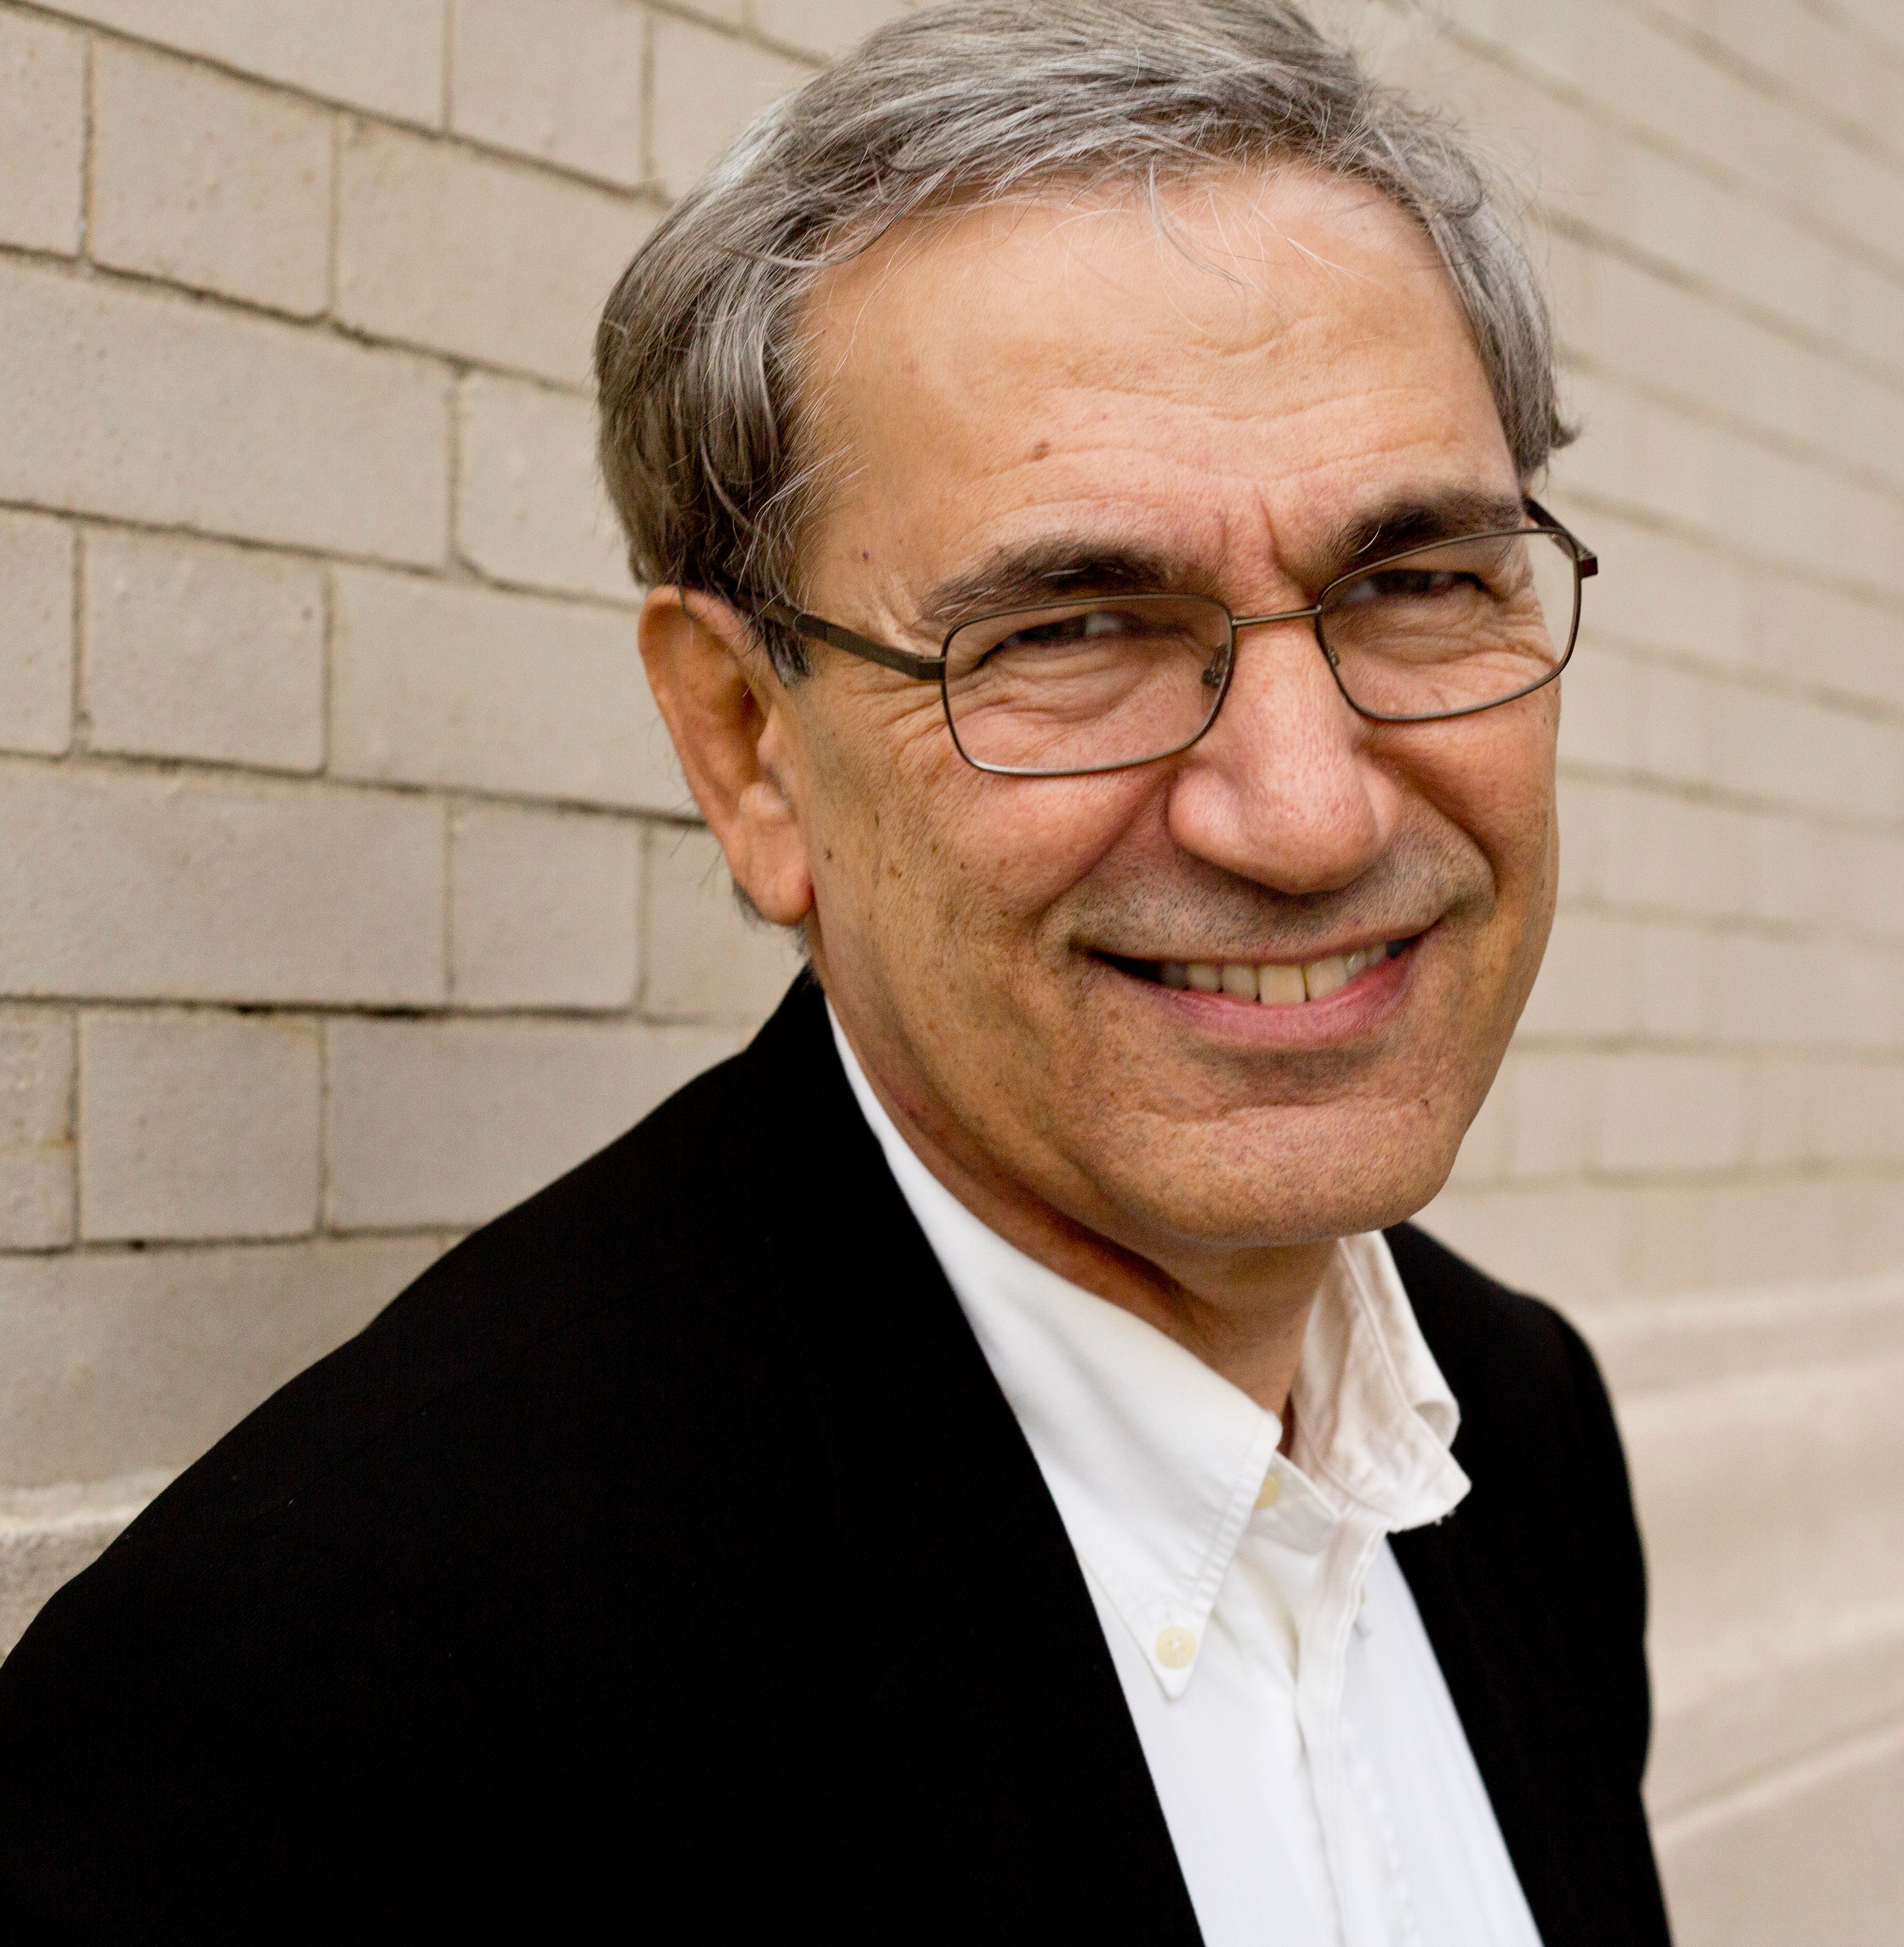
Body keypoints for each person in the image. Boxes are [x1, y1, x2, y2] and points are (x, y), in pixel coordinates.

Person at [0, 4, 1671, 1942]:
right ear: (748, 747)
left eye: (1415, 581)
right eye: (1073, 627)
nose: (1305, 814)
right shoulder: (324, 1715)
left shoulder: (1522, 1437)